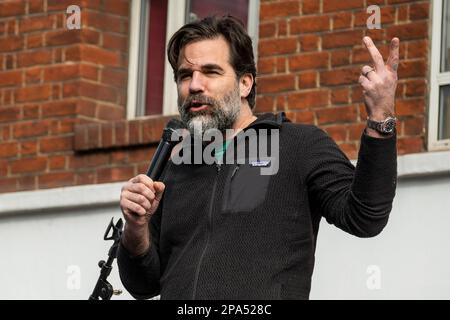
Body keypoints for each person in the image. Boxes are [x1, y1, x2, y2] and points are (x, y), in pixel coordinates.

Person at [117, 15, 399, 300]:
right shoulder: (175, 166)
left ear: (245, 84)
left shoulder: (298, 144)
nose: (194, 86)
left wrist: (381, 118)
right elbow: (143, 285)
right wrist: (135, 229)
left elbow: (365, 217)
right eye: (185, 76)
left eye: (211, 72)